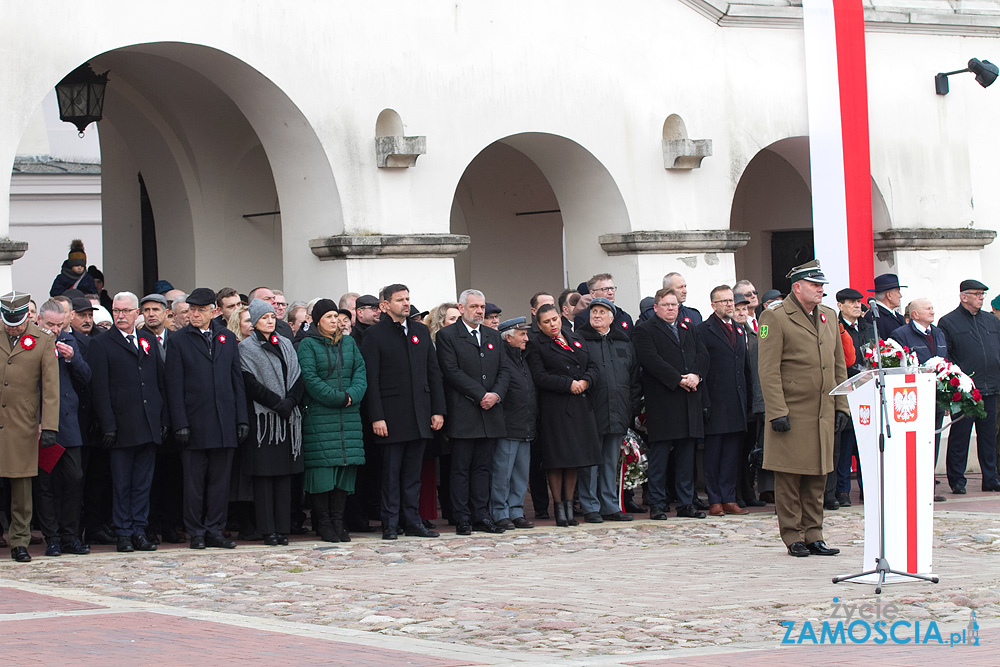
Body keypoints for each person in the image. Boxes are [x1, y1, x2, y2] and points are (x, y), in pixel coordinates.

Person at [758, 260, 850, 558]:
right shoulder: (775, 317)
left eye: (822, 285)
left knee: (817, 476)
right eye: (815, 284)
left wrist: (842, 405)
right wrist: (777, 411)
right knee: (789, 477)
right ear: (797, 287)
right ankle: (793, 535)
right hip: (792, 411)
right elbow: (768, 370)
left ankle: (815, 534)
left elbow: (838, 365)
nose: (821, 290)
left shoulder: (828, 315)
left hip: (822, 411)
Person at [165, 287, 250, 549]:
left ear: (213, 311)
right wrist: (179, 423)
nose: (195, 315)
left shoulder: (225, 337)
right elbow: (174, 385)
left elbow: (236, 380)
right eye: (191, 310)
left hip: (224, 421)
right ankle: (196, 531)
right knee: (194, 482)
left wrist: (241, 419)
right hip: (194, 421)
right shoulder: (179, 340)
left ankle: (215, 528)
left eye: (201, 310)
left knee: (220, 481)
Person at [360, 284, 445, 540]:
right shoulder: (374, 335)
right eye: (400, 300)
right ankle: (390, 523)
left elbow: (433, 372)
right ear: (385, 305)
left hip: (420, 415)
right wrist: (376, 416)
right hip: (391, 416)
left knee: (412, 475)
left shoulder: (420, 330)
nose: (406, 304)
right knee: (390, 475)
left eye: (408, 299)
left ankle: (412, 520)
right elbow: (371, 379)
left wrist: (438, 410)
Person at [88, 291, 167, 553]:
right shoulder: (102, 344)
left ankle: (139, 530)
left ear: (137, 313)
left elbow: (158, 383)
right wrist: (108, 424)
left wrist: (162, 418)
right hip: (121, 426)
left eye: (125, 311)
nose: (120, 315)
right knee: (122, 483)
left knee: (143, 483)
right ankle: (123, 532)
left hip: (147, 424)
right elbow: (99, 389)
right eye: (116, 310)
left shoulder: (147, 340)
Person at [437, 289, 510, 535]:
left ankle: (482, 514)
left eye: (482, 306)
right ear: (461, 308)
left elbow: (504, 370)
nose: (479, 311)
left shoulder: (492, 335)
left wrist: (496, 395)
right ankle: (462, 517)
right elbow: (451, 371)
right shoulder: (447, 336)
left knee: (483, 468)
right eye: (474, 306)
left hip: (490, 413)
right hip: (464, 412)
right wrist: (481, 395)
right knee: (460, 469)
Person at [633, 288, 709, 520]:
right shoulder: (645, 330)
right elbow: (651, 360)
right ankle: (657, 503)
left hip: (689, 400)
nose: (671, 308)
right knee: (660, 457)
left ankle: (686, 503)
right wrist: (678, 379)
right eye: (666, 305)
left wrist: (696, 375)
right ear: (656, 307)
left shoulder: (689, 327)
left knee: (686, 457)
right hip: (664, 401)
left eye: (674, 305)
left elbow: (703, 355)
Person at [297, 298, 367, 542]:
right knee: (322, 473)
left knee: (345, 470)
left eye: (336, 316)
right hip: (321, 416)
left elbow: (360, 372)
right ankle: (324, 522)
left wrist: (352, 395)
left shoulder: (348, 343)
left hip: (348, 415)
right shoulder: (307, 345)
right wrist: (337, 397)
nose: (334, 320)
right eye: (328, 317)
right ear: (317, 321)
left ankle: (339, 521)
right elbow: (309, 378)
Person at [526, 303, 601, 527]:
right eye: (547, 322)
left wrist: (586, 381)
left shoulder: (573, 336)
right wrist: (568, 384)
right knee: (558, 460)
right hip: (556, 408)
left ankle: (570, 505)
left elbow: (594, 366)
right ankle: (559, 507)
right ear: (539, 325)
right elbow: (539, 376)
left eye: (555, 320)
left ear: (560, 318)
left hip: (579, 405)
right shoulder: (537, 344)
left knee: (574, 459)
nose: (553, 325)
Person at [239, 299, 306, 546]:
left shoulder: (286, 343)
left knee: (284, 477)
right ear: (255, 322)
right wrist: (277, 403)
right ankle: (268, 530)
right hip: (265, 422)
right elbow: (250, 382)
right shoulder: (246, 348)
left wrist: (290, 402)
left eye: (271, 317)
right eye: (264, 318)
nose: (270, 321)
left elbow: (298, 376)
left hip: (288, 419)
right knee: (265, 477)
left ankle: (282, 527)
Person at [0, 291, 60, 562]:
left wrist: (49, 426)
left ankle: (19, 541)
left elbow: (50, 388)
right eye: (8, 320)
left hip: (22, 422)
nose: (14, 325)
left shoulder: (42, 340)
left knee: (21, 487)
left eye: (18, 320)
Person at [35, 299, 92, 556]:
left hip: (68, 424)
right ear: (39, 321)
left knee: (74, 478)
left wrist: (72, 360)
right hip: (42, 424)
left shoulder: (69, 342)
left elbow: (86, 377)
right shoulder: (31, 343)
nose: (55, 329)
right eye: (50, 324)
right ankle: (53, 537)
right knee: (45, 483)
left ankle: (71, 535)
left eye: (59, 324)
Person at [577, 297, 641, 522]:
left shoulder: (624, 343)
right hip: (590, 412)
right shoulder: (580, 341)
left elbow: (634, 380)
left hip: (618, 412)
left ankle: (609, 505)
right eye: (594, 311)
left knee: (610, 463)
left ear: (612, 318)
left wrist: (630, 409)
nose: (597, 315)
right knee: (590, 463)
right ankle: (590, 506)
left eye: (602, 312)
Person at [937, 279, 1000, 494]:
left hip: (990, 386)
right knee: (960, 436)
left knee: (988, 436)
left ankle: (990, 478)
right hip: (964, 391)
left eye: (983, 294)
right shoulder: (948, 322)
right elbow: (946, 355)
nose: (981, 297)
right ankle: (957, 480)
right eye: (977, 294)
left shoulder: (991, 321)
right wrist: (955, 384)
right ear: (964, 297)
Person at [698, 285, 751, 516]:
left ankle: (729, 497)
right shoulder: (703, 330)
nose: (730, 305)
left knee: (732, 453)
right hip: (715, 401)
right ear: (713, 305)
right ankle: (715, 499)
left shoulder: (739, 330)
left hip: (736, 401)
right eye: (724, 301)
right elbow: (702, 367)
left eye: (731, 300)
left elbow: (745, 368)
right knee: (714, 454)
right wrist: (705, 402)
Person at [890, 296, 949, 502]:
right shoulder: (900, 335)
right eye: (928, 308)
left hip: (937, 397)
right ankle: (913, 487)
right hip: (914, 399)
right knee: (915, 443)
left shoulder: (939, 333)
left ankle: (928, 486)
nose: (932, 311)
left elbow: (945, 361)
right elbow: (899, 366)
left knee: (932, 441)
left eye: (933, 308)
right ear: (915, 314)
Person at [491, 317, 536, 530]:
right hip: (508, 425)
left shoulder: (522, 357)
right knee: (502, 474)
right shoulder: (502, 358)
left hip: (525, 425)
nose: (526, 338)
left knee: (520, 474)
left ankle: (516, 511)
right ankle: (500, 512)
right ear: (508, 337)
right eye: (522, 334)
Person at [733, 291, 768, 507]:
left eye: (744, 309)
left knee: (749, 450)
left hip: (753, 401)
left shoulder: (753, 335)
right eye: (737, 309)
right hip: (736, 401)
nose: (741, 312)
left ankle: (748, 492)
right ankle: (736, 493)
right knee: (735, 452)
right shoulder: (731, 335)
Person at [573, 273, 635, 338]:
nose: (610, 293)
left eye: (612, 288)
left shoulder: (624, 317)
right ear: (592, 293)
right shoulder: (583, 318)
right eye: (605, 289)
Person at [864, 273, 907, 341]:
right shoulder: (873, 316)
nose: (900, 296)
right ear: (889, 295)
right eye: (898, 292)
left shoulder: (898, 316)